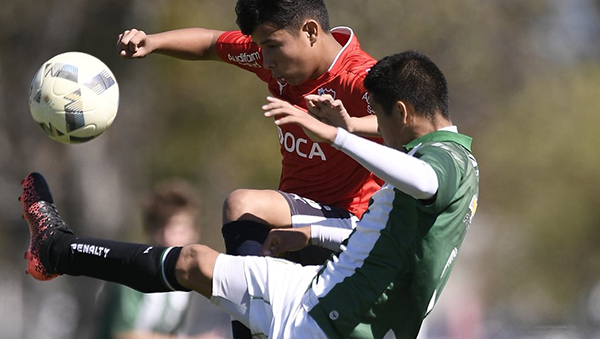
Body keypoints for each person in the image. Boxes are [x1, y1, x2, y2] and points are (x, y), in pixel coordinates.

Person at [20, 51, 479, 338]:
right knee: (193, 262)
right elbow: (396, 244)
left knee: (196, 263)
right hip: (323, 292)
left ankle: (59, 250)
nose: (377, 130)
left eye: (379, 118)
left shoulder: (443, 162)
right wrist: (311, 238)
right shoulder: (458, 162)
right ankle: (56, 248)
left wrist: (335, 137)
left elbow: (426, 181)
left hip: (331, 322)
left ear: (402, 111)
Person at [116, 0, 383, 269]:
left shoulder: (362, 77)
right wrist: (153, 42)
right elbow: (211, 43)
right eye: (261, 46)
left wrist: (349, 126)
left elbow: (411, 125)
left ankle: (248, 308)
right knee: (208, 266)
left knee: (243, 205)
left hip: (351, 227)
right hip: (295, 224)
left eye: (272, 46)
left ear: (310, 31)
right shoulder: (270, 54)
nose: (265, 59)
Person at [94, 179, 231, 339]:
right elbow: (122, 334)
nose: (167, 237)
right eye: (161, 228)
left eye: (177, 229)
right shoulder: (133, 269)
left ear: (194, 231)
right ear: (149, 230)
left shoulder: (191, 278)